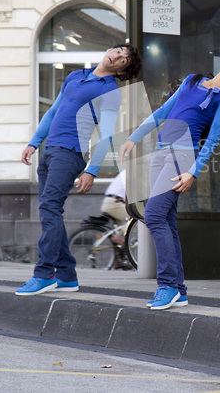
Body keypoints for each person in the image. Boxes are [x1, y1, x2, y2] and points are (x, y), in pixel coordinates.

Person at [120, 54, 220, 310]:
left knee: (153, 215)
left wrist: (194, 171)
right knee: (165, 220)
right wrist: (134, 137)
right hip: (161, 151)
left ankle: (166, 285)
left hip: (182, 154)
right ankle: (179, 290)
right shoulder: (192, 80)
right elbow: (162, 112)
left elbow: (214, 139)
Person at [15, 44, 142, 296]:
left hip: (71, 153)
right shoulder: (75, 76)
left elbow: (106, 135)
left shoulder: (109, 92)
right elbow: (53, 111)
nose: (117, 57)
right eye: (117, 51)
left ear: (121, 71)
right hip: (50, 150)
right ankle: (67, 276)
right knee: (49, 211)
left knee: (50, 208)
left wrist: (91, 170)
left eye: (123, 60)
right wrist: (34, 142)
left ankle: (44, 273)